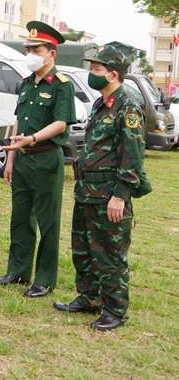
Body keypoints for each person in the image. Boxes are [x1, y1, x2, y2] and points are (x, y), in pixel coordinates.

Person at [53, 45, 145, 331]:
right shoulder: (99, 104)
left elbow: (132, 156)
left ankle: (115, 310)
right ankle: (89, 297)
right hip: (87, 191)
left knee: (109, 253)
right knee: (83, 250)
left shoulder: (128, 107)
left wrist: (120, 195)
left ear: (113, 74)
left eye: (96, 70)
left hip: (108, 194)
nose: (91, 74)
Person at [0, 22, 77, 298]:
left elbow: (61, 123)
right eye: (28, 48)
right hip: (24, 159)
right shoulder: (26, 84)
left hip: (46, 158)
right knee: (20, 218)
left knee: (47, 221)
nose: (30, 53)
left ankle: (44, 279)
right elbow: (18, 122)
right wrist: (12, 159)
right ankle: (17, 271)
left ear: (51, 54)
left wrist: (34, 139)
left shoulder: (62, 85)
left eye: (36, 49)